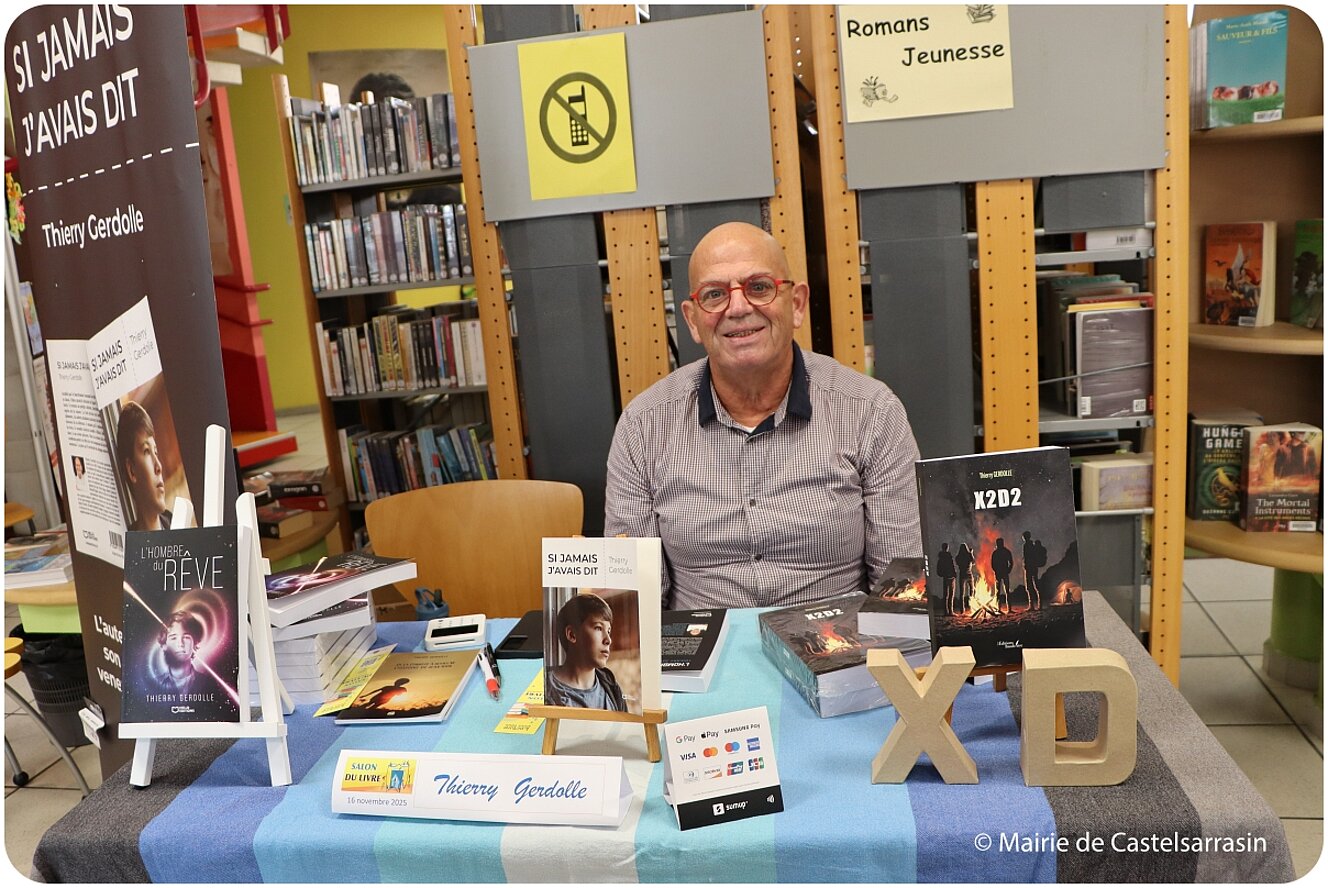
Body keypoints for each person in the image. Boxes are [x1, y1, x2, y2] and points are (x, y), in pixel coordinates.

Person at [604, 221, 922, 609]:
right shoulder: (643, 426)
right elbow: (635, 603)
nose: (738, 308)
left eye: (759, 287)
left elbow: (902, 587)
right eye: (715, 294)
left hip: (839, 652)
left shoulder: (871, 412)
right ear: (691, 319)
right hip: (700, 655)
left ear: (797, 304)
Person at [545, 592, 627, 712]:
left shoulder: (612, 688)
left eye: (608, 631)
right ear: (572, 634)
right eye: (598, 628)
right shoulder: (545, 687)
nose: (608, 640)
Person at [116, 401, 172, 532]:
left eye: (156, 452)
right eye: (147, 451)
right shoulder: (128, 547)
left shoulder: (178, 525)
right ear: (132, 471)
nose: (158, 466)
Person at [990, 537, 1013, 614]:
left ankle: (1004, 608)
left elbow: (993, 564)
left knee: (1001, 591)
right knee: (1001, 591)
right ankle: (1002, 608)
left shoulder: (996, 552)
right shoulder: (1005, 552)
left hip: (1001, 573)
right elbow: (993, 564)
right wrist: (1007, 570)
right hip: (1002, 573)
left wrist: (1007, 570)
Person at [936, 543, 957, 615]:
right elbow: (952, 566)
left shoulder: (941, 558)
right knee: (951, 595)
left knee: (946, 595)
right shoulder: (948, 556)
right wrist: (954, 574)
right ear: (947, 548)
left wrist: (942, 574)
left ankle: (946, 612)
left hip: (946, 577)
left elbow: (938, 569)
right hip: (951, 577)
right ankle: (950, 611)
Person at [955, 543, 975, 614]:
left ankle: (962, 610)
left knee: (961, 594)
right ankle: (971, 606)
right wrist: (971, 553)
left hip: (962, 575)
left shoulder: (958, 557)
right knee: (972, 591)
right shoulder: (969, 555)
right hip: (969, 574)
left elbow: (957, 562)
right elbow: (973, 562)